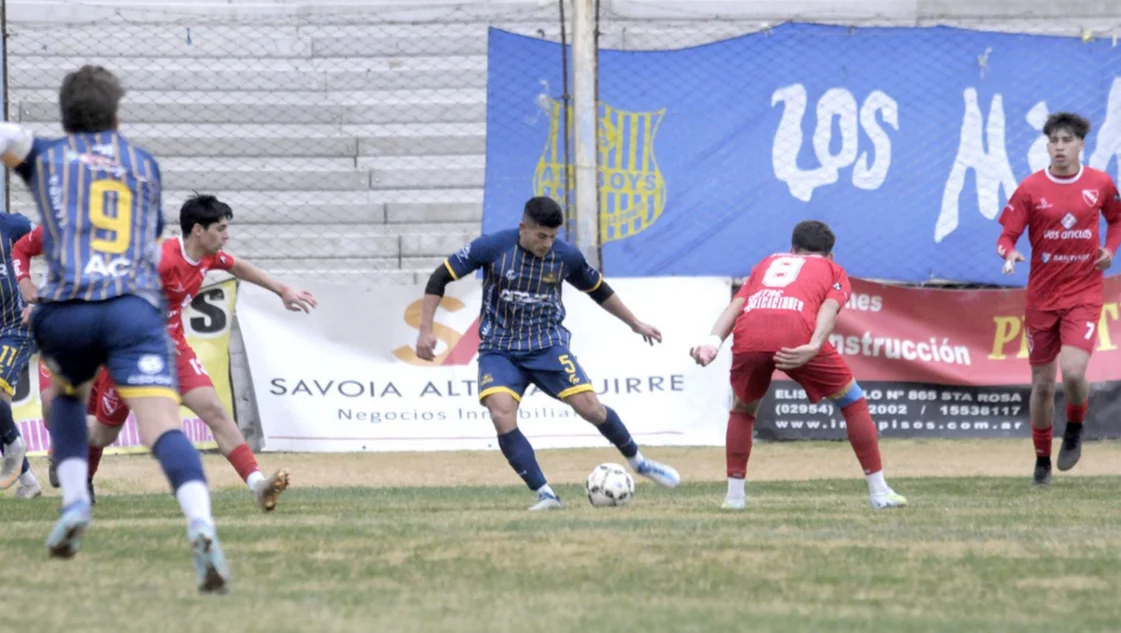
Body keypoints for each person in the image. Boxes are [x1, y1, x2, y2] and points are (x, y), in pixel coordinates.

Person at [0, 65, 228, 592]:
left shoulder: (48, 156)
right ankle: (200, 523)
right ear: (117, 117)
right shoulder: (144, 165)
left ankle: (76, 499)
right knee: (162, 426)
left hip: (70, 307)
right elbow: (146, 237)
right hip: (132, 309)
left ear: (65, 118)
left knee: (66, 396)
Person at [16, 193, 314, 511]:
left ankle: (257, 484)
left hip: (173, 352)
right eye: (221, 228)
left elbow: (238, 266)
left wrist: (283, 290)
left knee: (214, 410)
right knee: (102, 435)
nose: (227, 236)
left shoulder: (208, 256)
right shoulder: (160, 259)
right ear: (198, 230)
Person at [416, 196, 680, 510]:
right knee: (501, 414)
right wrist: (425, 329)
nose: (547, 243)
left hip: (547, 346)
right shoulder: (493, 247)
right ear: (523, 228)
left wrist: (635, 323)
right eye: (541, 236)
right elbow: (440, 277)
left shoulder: (566, 256)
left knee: (591, 408)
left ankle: (639, 461)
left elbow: (599, 291)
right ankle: (545, 493)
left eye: (553, 237)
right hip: (498, 348)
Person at [690, 220, 907, 510]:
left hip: (750, 334)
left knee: (743, 409)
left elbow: (737, 305)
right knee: (853, 401)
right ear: (830, 255)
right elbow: (829, 309)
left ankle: (734, 499)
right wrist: (814, 345)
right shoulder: (833, 270)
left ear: (792, 249)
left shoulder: (768, 262)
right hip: (798, 335)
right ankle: (879, 493)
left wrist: (712, 343)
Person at [998, 112, 1121, 486]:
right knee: (1042, 385)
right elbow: (1006, 236)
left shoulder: (1099, 184)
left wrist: (1110, 250)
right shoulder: (1030, 188)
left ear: (1081, 145)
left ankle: (1076, 428)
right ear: (1047, 146)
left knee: (1072, 371)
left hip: (1083, 292)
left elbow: (1116, 220)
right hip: (1041, 297)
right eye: (1054, 141)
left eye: (1067, 141)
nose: (1059, 148)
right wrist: (1008, 253)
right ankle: (1041, 461)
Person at [0, 211, 42, 498]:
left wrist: (42, 294)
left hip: (17, 326)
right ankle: (28, 483)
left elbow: (58, 247)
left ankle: (14, 447)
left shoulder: (12, 224)